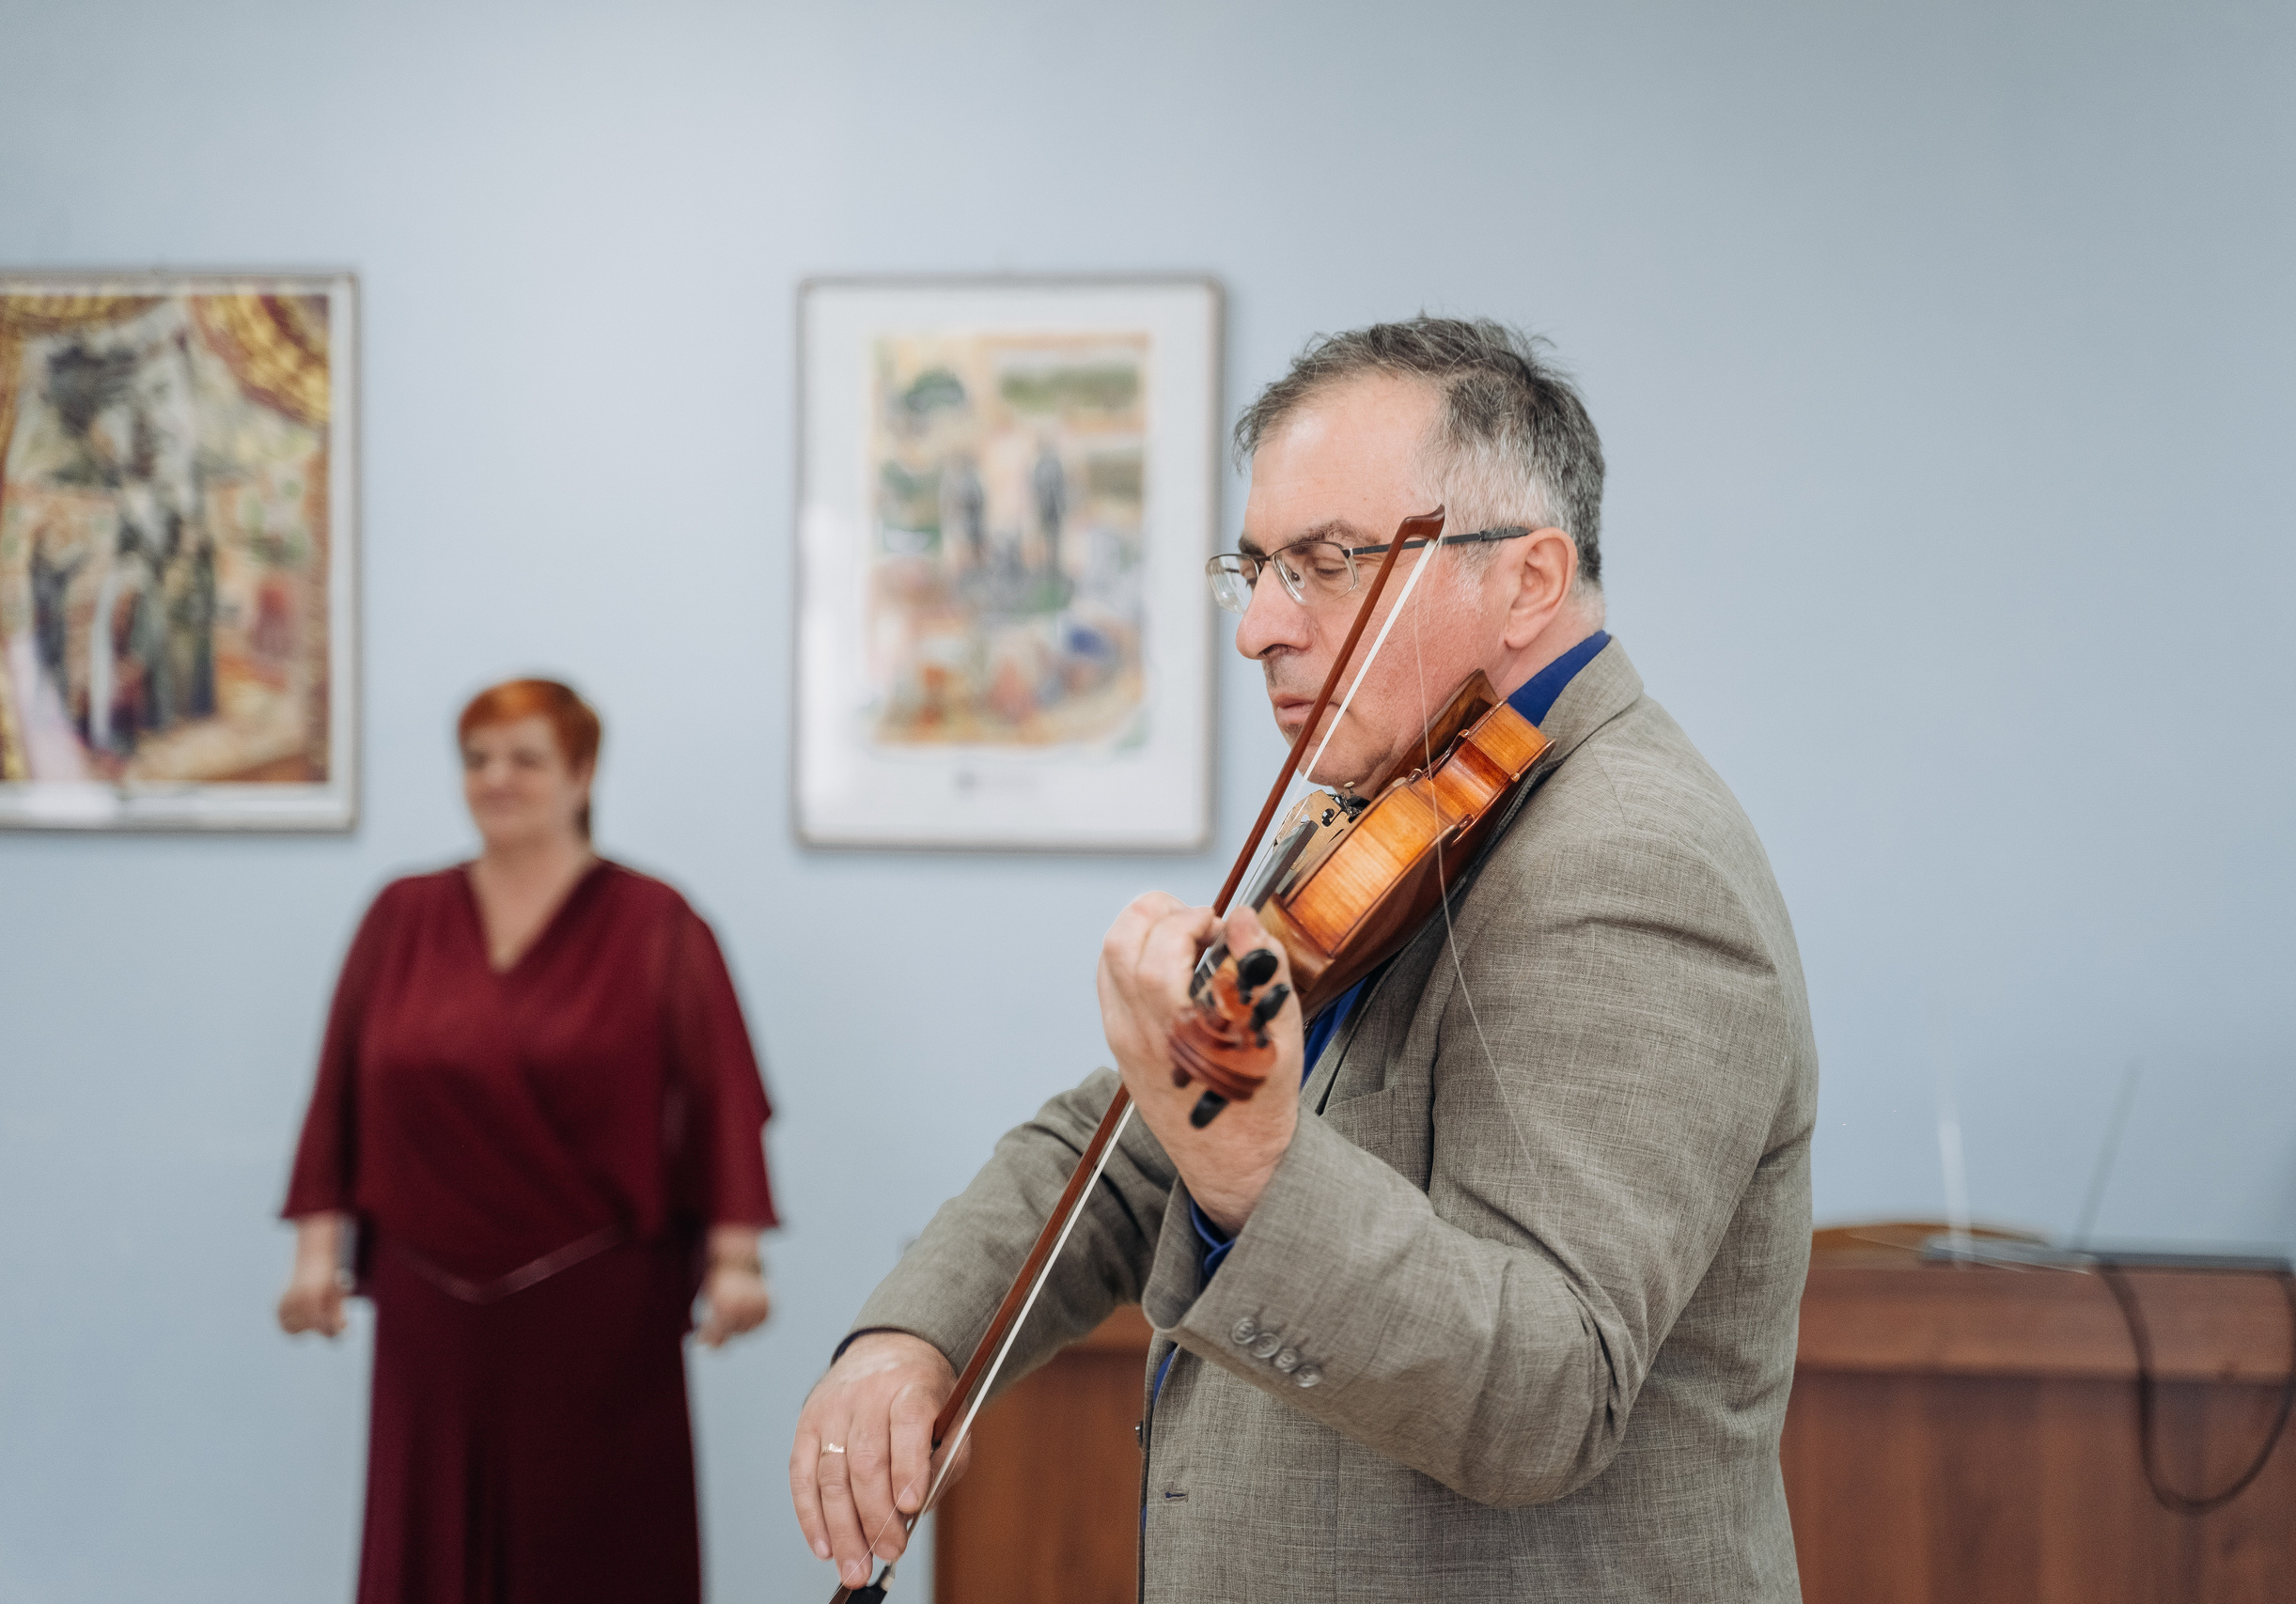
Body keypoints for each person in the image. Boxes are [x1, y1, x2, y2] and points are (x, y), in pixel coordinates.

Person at [789, 317, 1820, 1603]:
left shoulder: (1627, 863)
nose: (1260, 626)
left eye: (1328, 563)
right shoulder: (1394, 805)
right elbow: (1129, 1142)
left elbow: (1546, 1392)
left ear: (1530, 579)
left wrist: (1255, 1167)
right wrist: (914, 1332)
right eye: (1257, 566)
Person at [278, 677, 778, 1604]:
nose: (496, 779)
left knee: (597, 1549)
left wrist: (736, 1259)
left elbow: (721, 1096)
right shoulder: (401, 915)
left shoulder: (657, 922)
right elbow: (341, 1087)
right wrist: (318, 1250)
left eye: (525, 758)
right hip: (428, 1305)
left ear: (582, 772)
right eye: (477, 759)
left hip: (601, 1303)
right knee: (427, 1549)